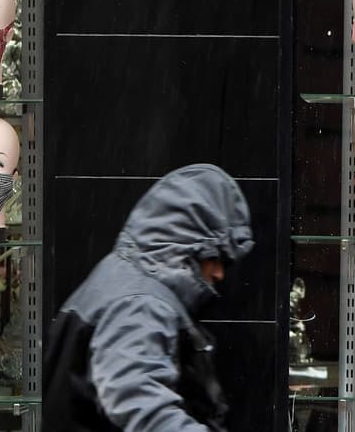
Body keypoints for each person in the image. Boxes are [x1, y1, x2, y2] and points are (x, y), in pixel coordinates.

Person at [44, 163, 254, 431]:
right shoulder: (140, 302)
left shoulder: (122, 282)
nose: (220, 273)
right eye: (215, 257)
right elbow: (141, 402)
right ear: (185, 247)